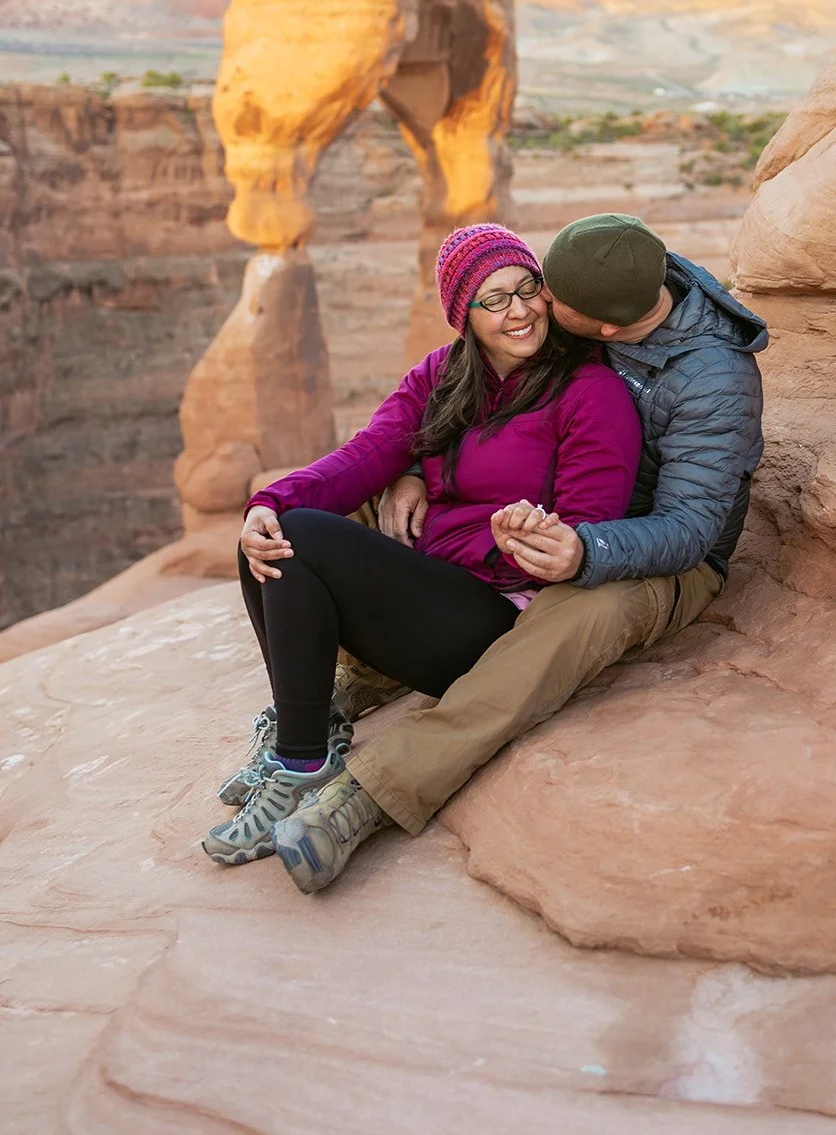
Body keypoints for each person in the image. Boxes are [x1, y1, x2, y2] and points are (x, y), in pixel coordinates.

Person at [239, 211, 768, 896]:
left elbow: (689, 526)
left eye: (539, 294)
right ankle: (328, 700)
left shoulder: (709, 378)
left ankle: (374, 790)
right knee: (304, 521)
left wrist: (584, 550)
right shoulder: (607, 281)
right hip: (543, 520)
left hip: (661, 547)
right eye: (521, 291)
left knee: (577, 613)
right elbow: (398, 435)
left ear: (602, 330)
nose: (531, 309)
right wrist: (411, 468)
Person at [203, 222, 641, 872]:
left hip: (501, 617)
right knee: (269, 532)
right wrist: (268, 500)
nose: (519, 311)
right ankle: (309, 729)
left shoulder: (588, 390)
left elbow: (589, 522)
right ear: (463, 313)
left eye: (527, 289)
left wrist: (522, 540)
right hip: (435, 588)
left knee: (303, 536)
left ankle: (300, 767)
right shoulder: (443, 374)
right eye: (494, 299)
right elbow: (369, 453)